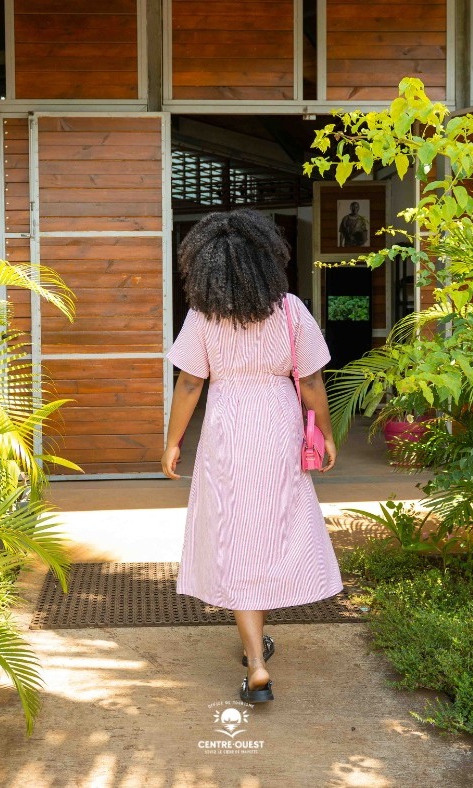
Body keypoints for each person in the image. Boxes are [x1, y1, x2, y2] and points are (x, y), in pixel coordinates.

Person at [162, 208, 343, 704]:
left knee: (235, 535)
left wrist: (173, 441)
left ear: (205, 265)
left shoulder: (203, 314)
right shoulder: (291, 310)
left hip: (227, 428)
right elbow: (310, 379)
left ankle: (257, 663)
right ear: (268, 258)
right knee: (269, 531)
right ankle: (256, 649)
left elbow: (190, 382)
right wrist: (326, 434)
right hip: (279, 426)